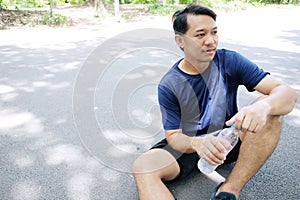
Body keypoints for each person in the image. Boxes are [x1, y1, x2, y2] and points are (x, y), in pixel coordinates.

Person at [132, 4, 297, 200]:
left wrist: (263, 107)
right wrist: (198, 143)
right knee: (143, 167)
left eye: (214, 32)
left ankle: (228, 190)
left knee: (270, 109)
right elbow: (174, 136)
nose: (211, 41)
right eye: (200, 35)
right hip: (189, 145)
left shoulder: (230, 61)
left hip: (228, 139)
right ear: (180, 40)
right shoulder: (170, 84)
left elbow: (287, 93)